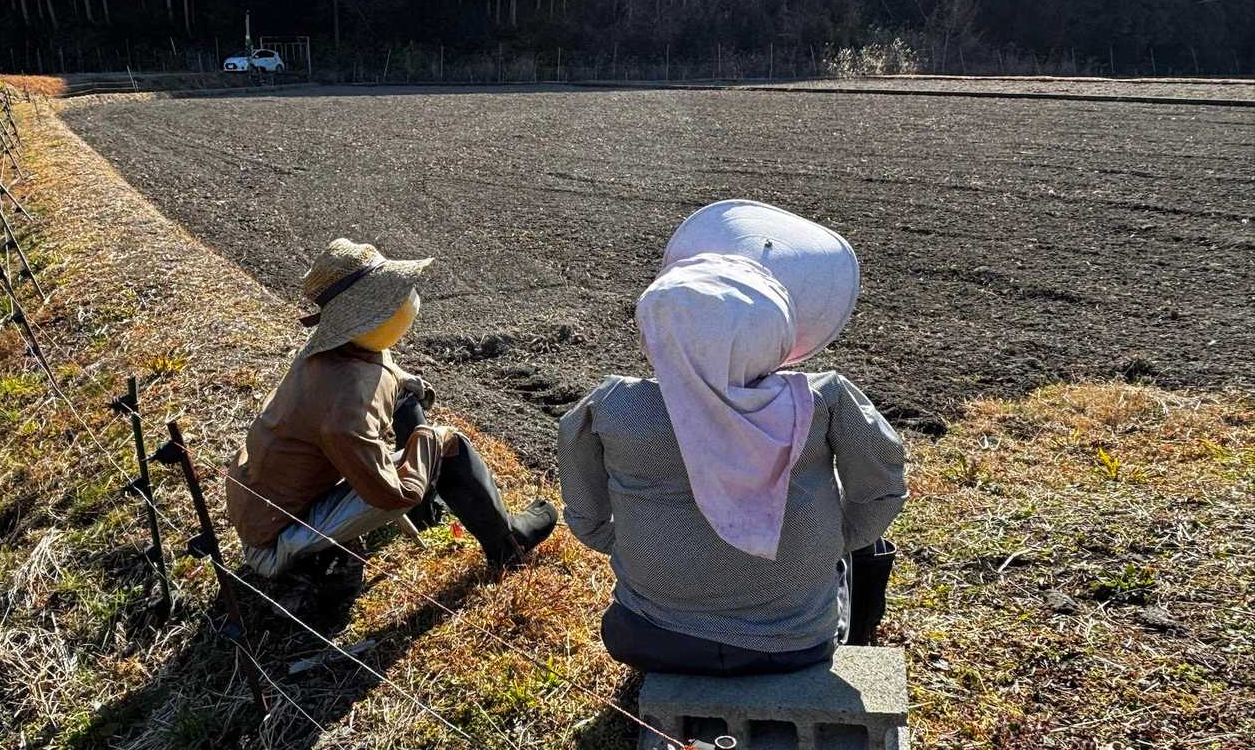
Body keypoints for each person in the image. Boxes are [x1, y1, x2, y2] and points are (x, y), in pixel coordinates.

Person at [558, 200, 907, 676]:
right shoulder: (824, 401)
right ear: (781, 334)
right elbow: (882, 490)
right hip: (797, 643)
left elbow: (586, 518)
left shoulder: (612, 407)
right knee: (862, 556)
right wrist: (835, 540)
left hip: (645, 636)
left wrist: (634, 547)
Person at [226, 238, 557, 594]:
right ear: (367, 315)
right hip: (278, 540)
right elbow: (393, 493)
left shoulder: (333, 353)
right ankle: (509, 545)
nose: (406, 298)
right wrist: (432, 441)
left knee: (406, 403)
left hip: (264, 505)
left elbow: (381, 369)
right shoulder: (345, 405)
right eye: (391, 294)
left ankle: (429, 509)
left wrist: (404, 382)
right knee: (450, 445)